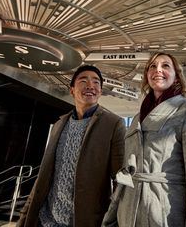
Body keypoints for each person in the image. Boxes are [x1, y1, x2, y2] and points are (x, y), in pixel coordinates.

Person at [102, 53, 186, 226]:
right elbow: (127, 171)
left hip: (164, 216)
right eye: (152, 66)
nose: (158, 70)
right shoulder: (136, 118)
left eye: (166, 66)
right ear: (147, 75)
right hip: (127, 215)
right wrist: (113, 214)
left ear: (177, 75)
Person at [18, 65, 126, 227]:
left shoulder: (114, 124)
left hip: (85, 221)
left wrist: (116, 220)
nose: (90, 85)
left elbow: (121, 180)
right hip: (45, 219)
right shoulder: (59, 124)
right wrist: (24, 217)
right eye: (83, 81)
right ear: (72, 90)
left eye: (96, 82)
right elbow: (44, 177)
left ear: (100, 91)